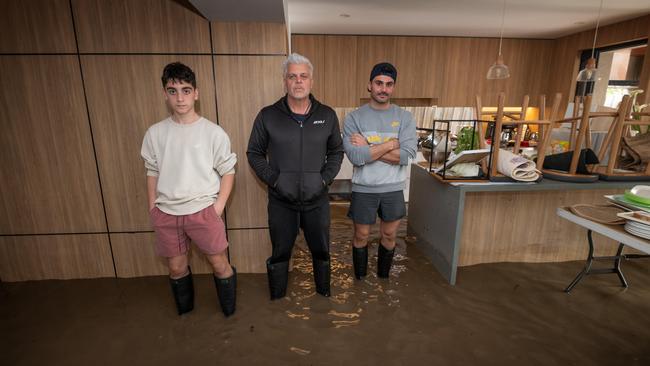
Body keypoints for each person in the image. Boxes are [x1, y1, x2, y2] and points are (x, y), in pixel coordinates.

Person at [141, 62, 237, 317]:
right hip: (166, 213)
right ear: (165, 94)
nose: (180, 97)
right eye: (173, 91)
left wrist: (217, 208)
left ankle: (230, 314)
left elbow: (228, 171)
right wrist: (153, 208)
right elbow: (152, 171)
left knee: (219, 264)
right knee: (176, 268)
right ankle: (185, 317)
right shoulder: (155, 133)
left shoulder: (213, 133)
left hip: (203, 211)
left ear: (196, 93)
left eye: (186, 90)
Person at [247, 53, 343, 300]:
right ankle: (277, 303)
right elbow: (254, 153)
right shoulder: (268, 115)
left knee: (321, 253)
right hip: (281, 203)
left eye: (303, 76)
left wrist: (323, 180)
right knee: (280, 254)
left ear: (311, 81)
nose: (298, 81)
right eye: (292, 76)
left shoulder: (328, 115)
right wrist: (276, 181)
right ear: (285, 81)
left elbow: (336, 152)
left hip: (317, 202)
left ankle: (324, 301)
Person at [342, 62, 417, 280]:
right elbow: (356, 157)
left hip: (393, 189)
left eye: (389, 84)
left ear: (393, 88)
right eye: (378, 83)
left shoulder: (405, 118)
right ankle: (360, 281)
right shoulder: (354, 118)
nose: (383, 88)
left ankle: (383, 280)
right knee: (361, 235)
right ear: (369, 85)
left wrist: (368, 147)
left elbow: (405, 156)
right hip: (364, 188)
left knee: (389, 234)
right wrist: (389, 145)